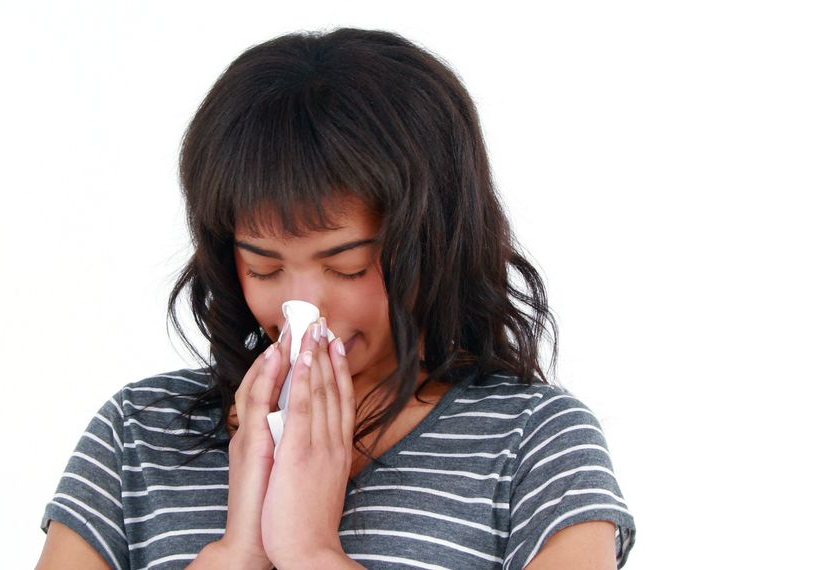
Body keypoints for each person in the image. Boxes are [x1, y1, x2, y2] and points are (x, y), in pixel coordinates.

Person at [35, 27, 636, 570]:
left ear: (440, 239)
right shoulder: (138, 433)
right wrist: (237, 552)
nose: (303, 307)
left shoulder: (536, 443)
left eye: (348, 266)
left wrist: (310, 551)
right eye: (263, 268)